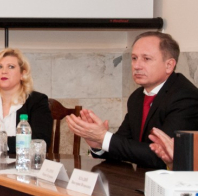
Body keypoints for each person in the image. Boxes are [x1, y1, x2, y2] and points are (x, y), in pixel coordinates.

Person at [66, 31, 198, 169]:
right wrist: (98, 145)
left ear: (169, 65)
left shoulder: (186, 98)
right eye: (134, 58)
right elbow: (124, 147)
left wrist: (104, 137)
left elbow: (159, 157)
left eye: (146, 59)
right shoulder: (137, 97)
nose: (137, 66)